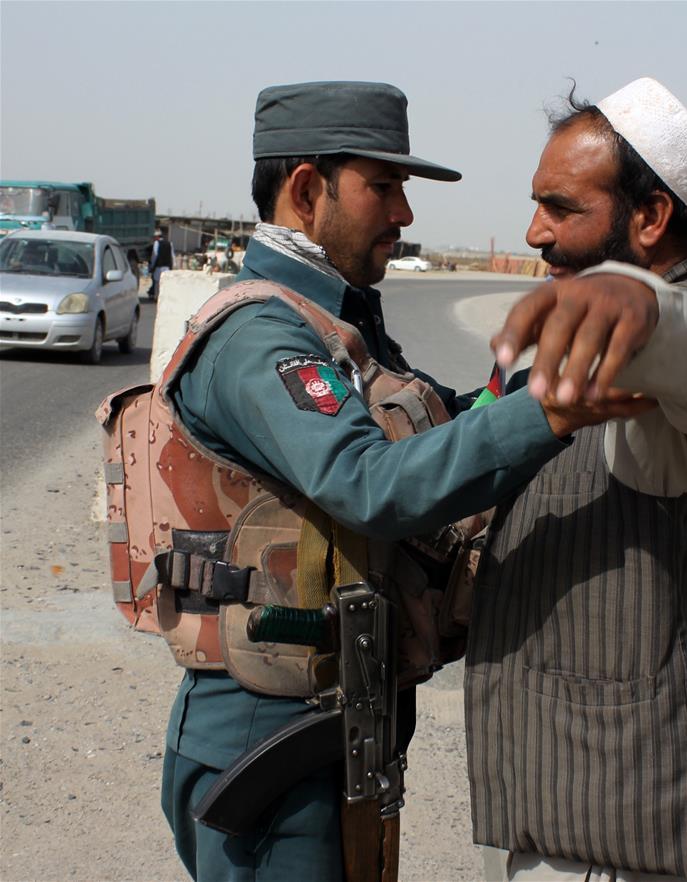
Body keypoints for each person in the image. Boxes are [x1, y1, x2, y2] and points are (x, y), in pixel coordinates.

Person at [159, 80, 630, 882]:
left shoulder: (337, 323)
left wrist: (528, 379)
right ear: (307, 191)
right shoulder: (258, 335)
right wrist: (550, 411)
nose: (404, 214)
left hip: (332, 723)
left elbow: (439, 421)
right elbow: (368, 484)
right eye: (384, 187)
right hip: (267, 741)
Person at [464, 77, 687, 882]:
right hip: (588, 809)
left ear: (649, 218)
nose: (533, 231)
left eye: (561, 207)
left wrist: (636, 298)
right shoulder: (590, 322)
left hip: (630, 833)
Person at [147, 228, 175, 300]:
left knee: (157, 283)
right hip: (167, 267)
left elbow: (155, 255)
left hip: (158, 267)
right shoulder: (169, 243)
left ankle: (156, 298)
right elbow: (172, 256)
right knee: (165, 283)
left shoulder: (157, 243)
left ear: (157, 237)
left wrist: (152, 266)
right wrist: (173, 266)